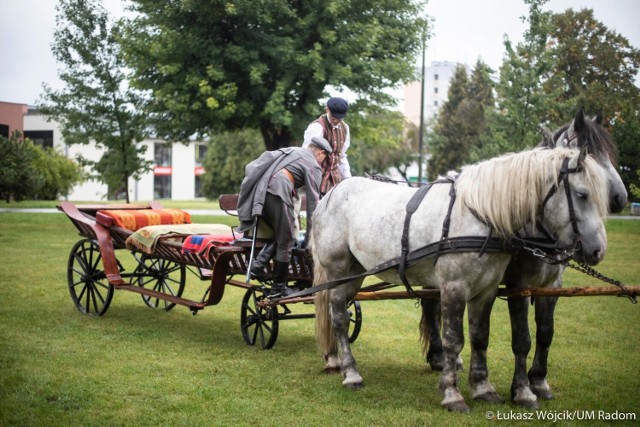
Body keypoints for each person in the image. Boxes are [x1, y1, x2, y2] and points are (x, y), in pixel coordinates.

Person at [236, 137, 332, 297]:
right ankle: (278, 288)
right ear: (321, 153)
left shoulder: (294, 151)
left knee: (282, 234)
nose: (323, 162)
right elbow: (313, 205)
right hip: (278, 191)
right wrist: (311, 236)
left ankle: (257, 266)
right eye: (324, 158)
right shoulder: (313, 165)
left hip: (260, 193)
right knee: (287, 239)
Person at [303, 97, 351, 194]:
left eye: (340, 118)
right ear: (327, 109)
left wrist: (348, 179)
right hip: (316, 179)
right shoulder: (317, 127)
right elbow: (306, 155)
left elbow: (341, 156)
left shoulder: (345, 128)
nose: (336, 121)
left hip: (335, 181)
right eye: (334, 117)